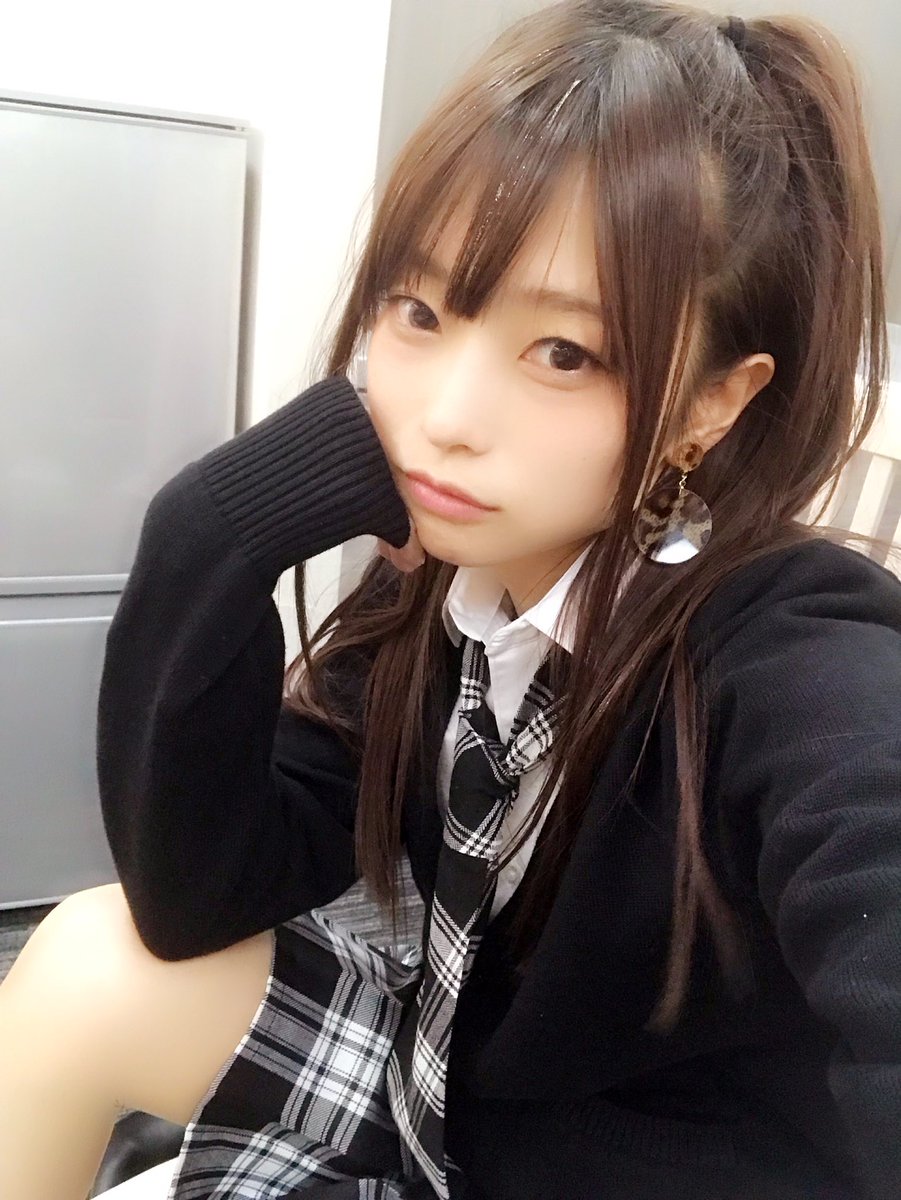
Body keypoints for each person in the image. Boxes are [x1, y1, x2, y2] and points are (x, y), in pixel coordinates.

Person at [1, 0, 899, 1197]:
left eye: (565, 353)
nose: (445, 418)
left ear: (711, 404)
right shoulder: (451, 595)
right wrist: (212, 531)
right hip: (436, 1091)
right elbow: (194, 895)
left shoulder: (791, 657)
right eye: (420, 312)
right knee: (85, 958)